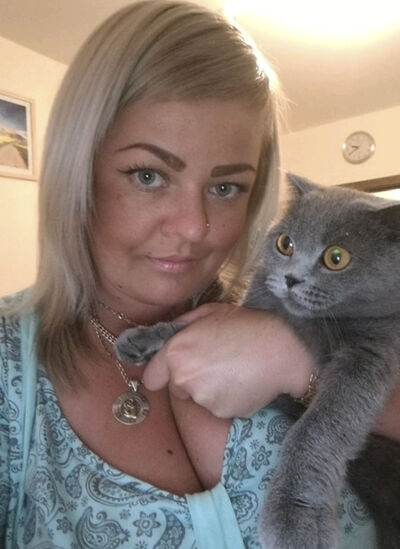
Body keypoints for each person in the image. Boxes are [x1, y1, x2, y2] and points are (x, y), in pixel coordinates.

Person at [0, 0, 390, 546]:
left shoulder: (307, 314)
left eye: (226, 187)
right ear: (78, 172)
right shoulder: (10, 368)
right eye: (148, 175)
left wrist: (297, 361)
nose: (193, 227)